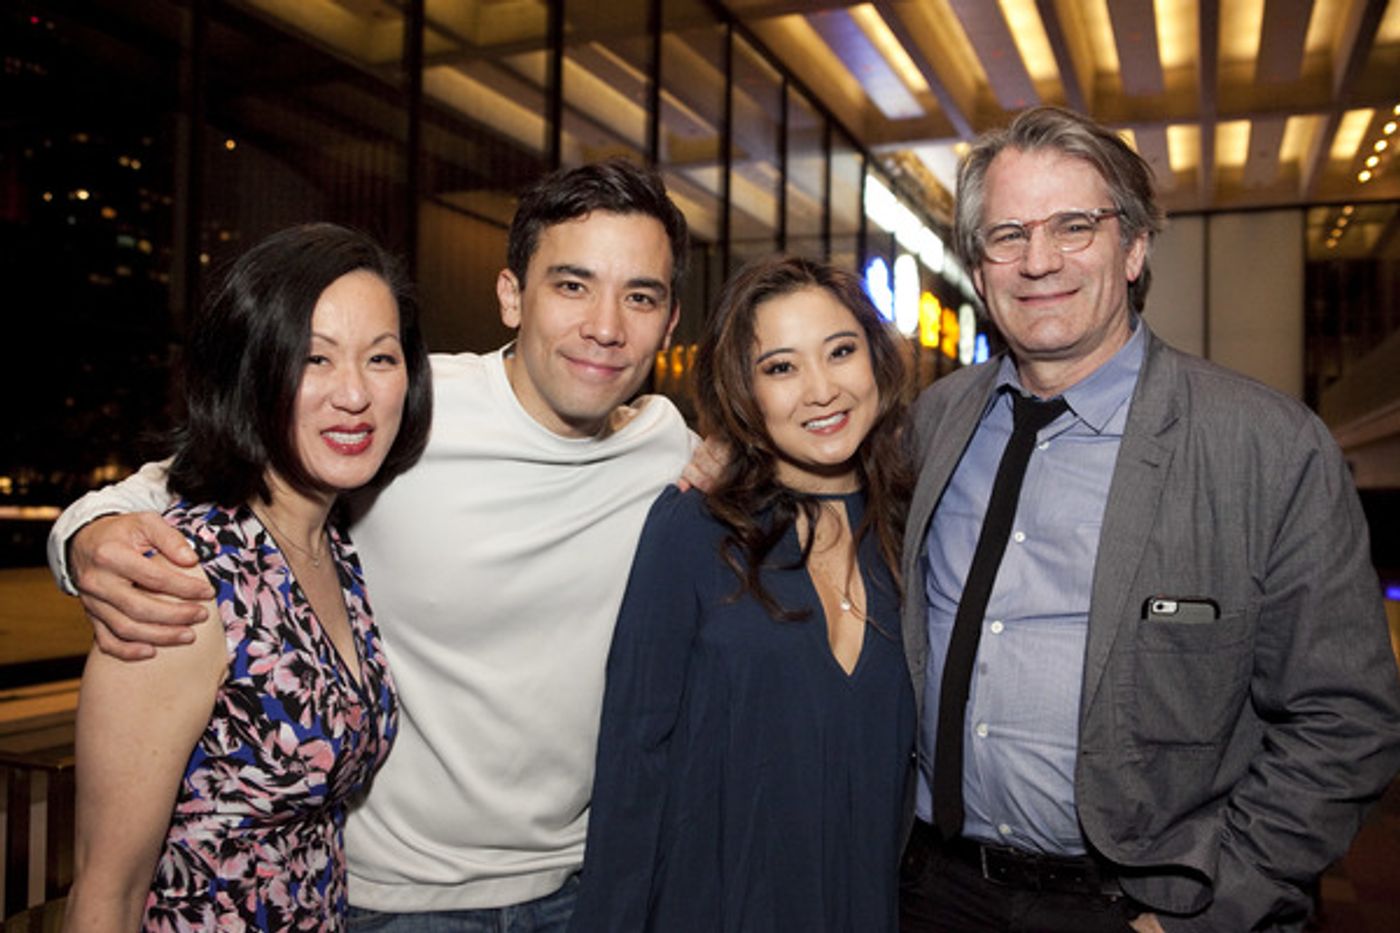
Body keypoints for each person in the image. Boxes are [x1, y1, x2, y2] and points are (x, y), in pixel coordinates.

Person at [47, 159, 696, 930]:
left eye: (641, 296)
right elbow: (203, 468)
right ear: (512, 295)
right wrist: (84, 534)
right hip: (400, 904)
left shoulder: (665, 446)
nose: (606, 326)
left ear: (671, 320)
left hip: (580, 887)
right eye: (572, 284)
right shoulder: (403, 411)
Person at [897, 105, 1400, 932]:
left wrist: (1210, 907)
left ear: (1132, 249)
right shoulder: (934, 422)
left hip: (1139, 908)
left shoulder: (1266, 446)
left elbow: (1347, 719)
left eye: (1074, 226)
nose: (1039, 261)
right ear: (980, 270)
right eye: (1008, 234)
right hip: (933, 892)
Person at [61, 223, 434, 931]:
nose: (353, 393)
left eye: (380, 358)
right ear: (251, 369)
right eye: (312, 358)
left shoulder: (335, 547)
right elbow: (105, 893)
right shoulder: (185, 581)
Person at [569, 256, 916, 932]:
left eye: (840, 351)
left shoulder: (913, 526)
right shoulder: (691, 527)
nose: (821, 390)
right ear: (744, 391)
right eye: (781, 367)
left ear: (875, 360)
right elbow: (633, 764)